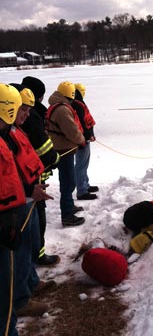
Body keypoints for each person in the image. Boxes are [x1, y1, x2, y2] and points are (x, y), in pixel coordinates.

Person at [0, 83, 49, 336]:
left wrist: (30, 190)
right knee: (3, 295)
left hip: (13, 213)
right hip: (4, 225)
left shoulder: (6, 135)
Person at [19, 76, 61, 267]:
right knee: (36, 220)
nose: (26, 114)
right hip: (30, 182)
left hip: (27, 182)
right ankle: (38, 255)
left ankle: (34, 259)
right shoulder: (32, 118)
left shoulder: (17, 122)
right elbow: (43, 148)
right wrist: (55, 158)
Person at [47, 81, 86, 227]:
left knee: (68, 181)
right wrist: (81, 140)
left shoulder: (56, 105)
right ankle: (68, 215)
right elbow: (72, 131)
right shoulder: (62, 109)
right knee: (68, 182)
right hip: (64, 149)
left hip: (62, 148)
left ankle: (69, 206)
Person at [72, 83, 98, 200]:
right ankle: (82, 191)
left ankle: (85, 185)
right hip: (82, 139)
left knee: (83, 164)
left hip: (83, 138)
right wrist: (88, 136)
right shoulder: (77, 104)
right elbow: (82, 123)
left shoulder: (77, 102)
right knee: (81, 165)